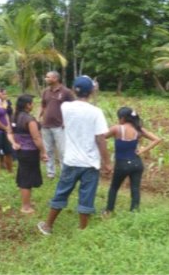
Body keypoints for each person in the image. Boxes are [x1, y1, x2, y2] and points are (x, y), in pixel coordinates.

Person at [37, 76, 111, 235]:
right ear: (91, 91)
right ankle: (82, 230)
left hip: (70, 160)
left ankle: (48, 225)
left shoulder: (65, 107)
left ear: (73, 89)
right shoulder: (96, 112)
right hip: (90, 163)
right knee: (87, 195)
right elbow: (100, 138)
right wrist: (107, 162)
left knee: (62, 191)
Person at [103, 107, 161, 214]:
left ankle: (108, 211)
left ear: (123, 118)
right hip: (137, 163)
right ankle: (134, 212)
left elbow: (101, 137)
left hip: (122, 164)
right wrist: (143, 151)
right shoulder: (139, 130)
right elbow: (157, 139)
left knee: (114, 187)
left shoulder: (117, 128)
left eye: (119, 118)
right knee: (135, 189)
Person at [7, 95, 48, 214]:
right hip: (30, 152)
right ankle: (25, 207)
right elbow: (36, 138)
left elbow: (9, 132)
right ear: (27, 105)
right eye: (31, 103)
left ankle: (27, 202)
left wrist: (14, 143)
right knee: (26, 179)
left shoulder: (14, 117)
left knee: (24, 176)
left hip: (21, 152)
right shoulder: (29, 120)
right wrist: (43, 152)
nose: (33, 105)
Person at [39, 71, 74, 179]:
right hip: (46, 125)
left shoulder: (66, 92)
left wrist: (66, 121)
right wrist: (39, 117)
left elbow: (73, 108)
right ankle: (51, 172)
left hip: (59, 126)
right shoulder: (45, 91)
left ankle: (65, 173)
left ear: (55, 78)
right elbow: (43, 105)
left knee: (62, 151)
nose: (46, 79)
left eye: (48, 77)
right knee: (48, 150)